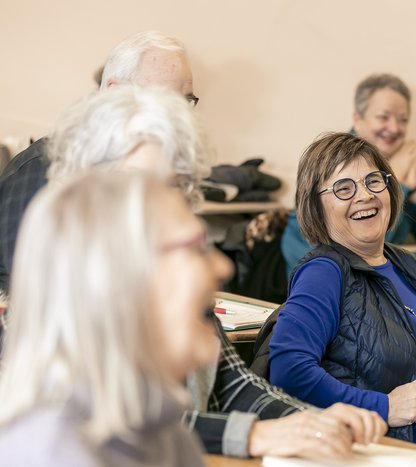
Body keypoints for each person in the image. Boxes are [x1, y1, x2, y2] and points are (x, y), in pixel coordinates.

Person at [0, 171, 385, 464]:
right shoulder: (52, 450)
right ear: (119, 280)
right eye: (195, 250)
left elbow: (233, 383)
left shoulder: (157, 428)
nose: (223, 268)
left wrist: (313, 423)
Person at [268, 132, 416, 453]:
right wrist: (383, 407)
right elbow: (288, 371)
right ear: (316, 207)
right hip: (408, 454)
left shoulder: (408, 265)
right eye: (343, 188)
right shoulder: (324, 271)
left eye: (373, 181)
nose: (365, 196)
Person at [0, 30, 199, 294]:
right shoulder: (43, 167)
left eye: (186, 100)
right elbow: (35, 292)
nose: (180, 115)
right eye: (166, 99)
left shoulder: (163, 173)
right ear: (114, 93)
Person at [281, 73, 416, 276]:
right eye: (383, 117)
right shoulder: (329, 164)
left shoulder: (396, 163)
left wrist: (415, 187)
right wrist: (397, 181)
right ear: (357, 119)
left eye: (403, 120)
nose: (394, 128)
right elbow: (368, 243)